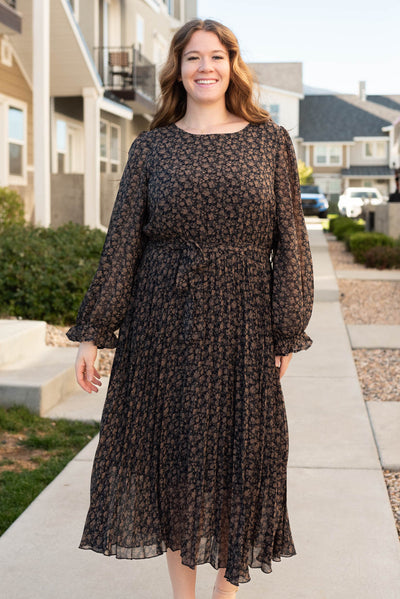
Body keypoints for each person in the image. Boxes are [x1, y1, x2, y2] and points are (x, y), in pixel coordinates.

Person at [66, 17, 314, 599]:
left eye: (217, 57)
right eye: (193, 57)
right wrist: (93, 333)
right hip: (162, 322)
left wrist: (286, 329)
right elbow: (123, 243)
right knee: (174, 464)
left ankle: (226, 595)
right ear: (178, 69)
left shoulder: (270, 141)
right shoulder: (152, 148)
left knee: (239, 459)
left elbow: (292, 242)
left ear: (233, 66)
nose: (206, 67)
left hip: (244, 322)